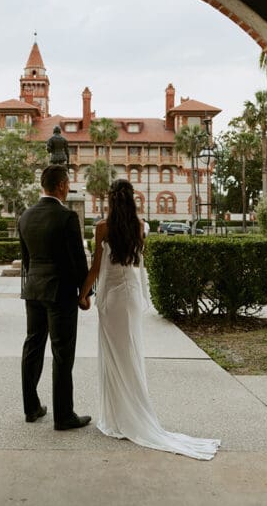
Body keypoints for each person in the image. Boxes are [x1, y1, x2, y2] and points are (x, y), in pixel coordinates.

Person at [79, 179, 220, 459]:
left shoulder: (102, 228)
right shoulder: (141, 226)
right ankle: (133, 411)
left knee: (113, 356)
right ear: (132, 200)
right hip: (130, 296)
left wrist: (83, 294)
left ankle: (118, 418)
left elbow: (96, 268)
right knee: (131, 352)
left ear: (110, 200)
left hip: (111, 299)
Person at [18, 164, 92, 430]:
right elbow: (78, 260)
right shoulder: (67, 217)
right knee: (62, 353)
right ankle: (63, 415)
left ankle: (32, 408)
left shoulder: (25, 216)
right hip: (60, 293)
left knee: (33, 347)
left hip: (33, 290)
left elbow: (27, 260)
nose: (69, 186)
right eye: (68, 182)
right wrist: (85, 293)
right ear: (61, 185)